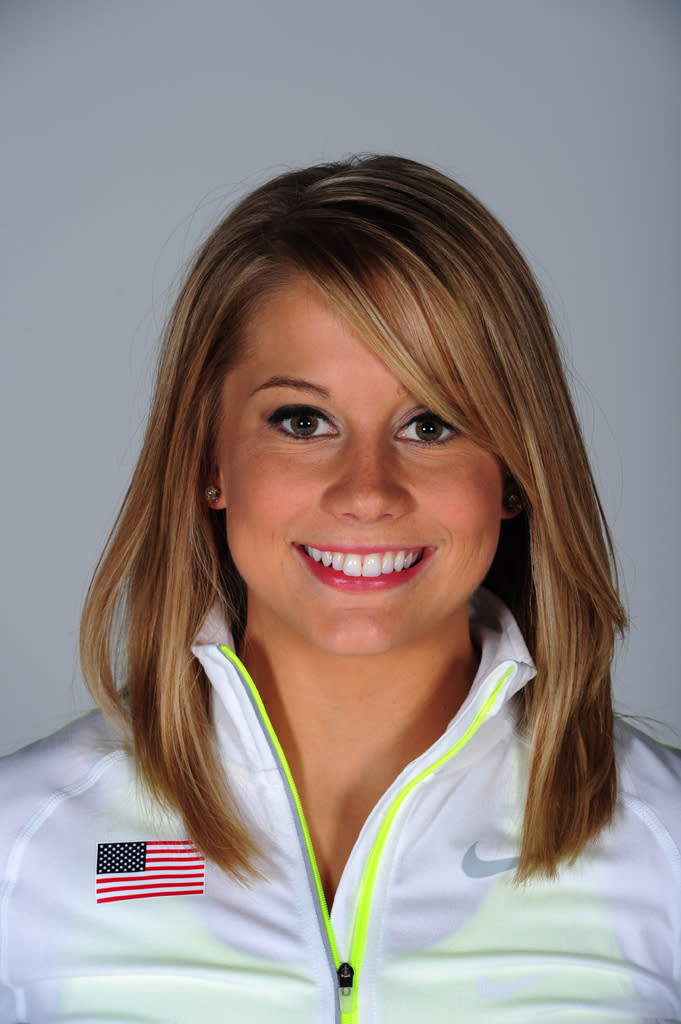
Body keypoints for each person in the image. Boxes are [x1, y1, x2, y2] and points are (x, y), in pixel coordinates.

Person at [1, 156, 679, 1024]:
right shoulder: (23, 843)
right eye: (302, 421)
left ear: (514, 470)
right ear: (209, 461)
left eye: (430, 424)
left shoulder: (663, 846)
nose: (367, 490)